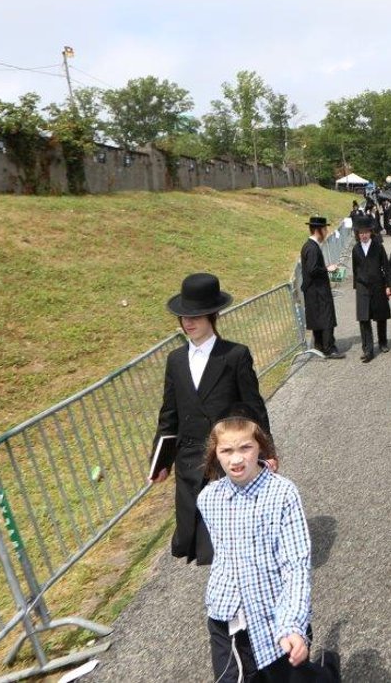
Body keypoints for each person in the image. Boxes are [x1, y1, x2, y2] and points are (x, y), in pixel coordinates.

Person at [198, 417, 341, 682]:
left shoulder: (282, 493)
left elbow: (296, 565)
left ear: (260, 447)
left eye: (245, 448)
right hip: (227, 616)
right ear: (215, 453)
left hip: (274, 615)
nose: (236, 459)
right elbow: (223, 555)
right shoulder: (208, 498)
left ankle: (327, 671)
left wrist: (293, 624)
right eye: (226, 450)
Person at [152, 274, 272, 565]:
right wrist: (161, 461)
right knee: (199, 538)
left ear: (212, 315)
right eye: (183, 316)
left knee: (229, 539)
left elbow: (254, 407)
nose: (188, 322)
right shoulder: (175, 360)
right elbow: (169, 414)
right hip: (189, 461)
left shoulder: (235, 355)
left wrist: (267, 453)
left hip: (227, 460)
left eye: (195, 316)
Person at [351, 215, 391, 362]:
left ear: (370, 232)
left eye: (366, 232)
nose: (363, 235)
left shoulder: (378, 247)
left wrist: (388, 285)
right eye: (361, 233)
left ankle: (382, 342)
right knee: (364, 318)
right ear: (358, 234)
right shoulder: (356, 249)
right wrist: (357, 286)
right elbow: (355, 269)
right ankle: (367, 350)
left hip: (378, 285)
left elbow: (386, 267)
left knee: (380, 315)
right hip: (362, 287)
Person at [300, 217, 344, 359]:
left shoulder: (309, 246)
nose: (326, 232)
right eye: (325, 229)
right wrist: (328, 269)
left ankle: (320, 345)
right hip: (318, 290)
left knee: (318, 318)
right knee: (326, 317)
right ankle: (329, 348)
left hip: (313, 290)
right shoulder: (312, 248)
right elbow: (313, 269)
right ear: (318, 230)